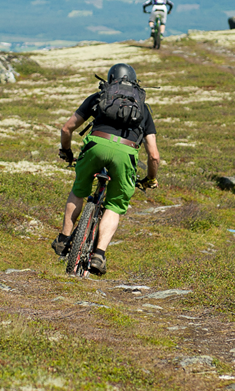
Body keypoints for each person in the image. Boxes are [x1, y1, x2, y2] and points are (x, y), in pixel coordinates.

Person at [52, 63, 161, 276]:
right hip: (125, 153)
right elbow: (154, 155)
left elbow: (67, 128)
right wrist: (150, 178)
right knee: (114, 205)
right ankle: (99, 254)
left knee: (79, 191)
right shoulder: (143, 108)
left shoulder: (99, 98)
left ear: (110, 80)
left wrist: (67, 152)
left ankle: (64, 238)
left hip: (96, 146)